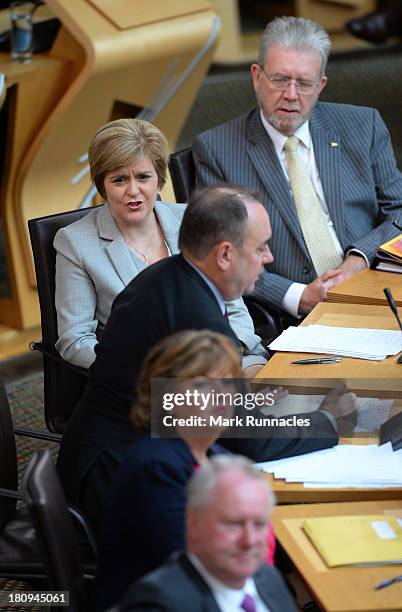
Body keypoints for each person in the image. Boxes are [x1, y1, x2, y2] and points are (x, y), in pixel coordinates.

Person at [56, 184, 343, 534]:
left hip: (127, 450)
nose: (268, 258)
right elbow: (250, 439)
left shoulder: (171, 277)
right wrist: (330, 419)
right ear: (224, 255)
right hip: (120, 479)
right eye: (260, 247)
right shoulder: (198, 319)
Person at [193, 16, 402, 317]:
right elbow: (219, 254)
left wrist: (359, 258)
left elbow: (398, 209)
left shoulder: (362, 126)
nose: (291, 95)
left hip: (374, 290)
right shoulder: (218, 149)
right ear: (256, 77)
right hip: (288, 317)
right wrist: (297, 296)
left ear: (321, 85)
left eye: (304, 83)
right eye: (280, 79)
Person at [54, 118, 265, 370]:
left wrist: (229, 351)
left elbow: (232, 304)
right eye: (119, 180)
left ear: (158, 178)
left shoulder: (192, 218)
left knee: (283, 395)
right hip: (152, 378)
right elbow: (74, 341)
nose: (133, 190)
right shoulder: (75, 243)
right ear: (102, 185)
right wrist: (141, 370)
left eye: (143, 177)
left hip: (228, 357)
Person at [96, 329, 275, 611]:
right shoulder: (155, 467)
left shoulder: (217, 454)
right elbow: (201, 564)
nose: (220, 396)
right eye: (202, 385)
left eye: (227, 383)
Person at [115, 455, 296, 612]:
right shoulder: (160, 603)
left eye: (259, 524)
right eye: (234, 525)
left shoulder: (268, 578)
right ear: (194, 523)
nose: (249, 540)